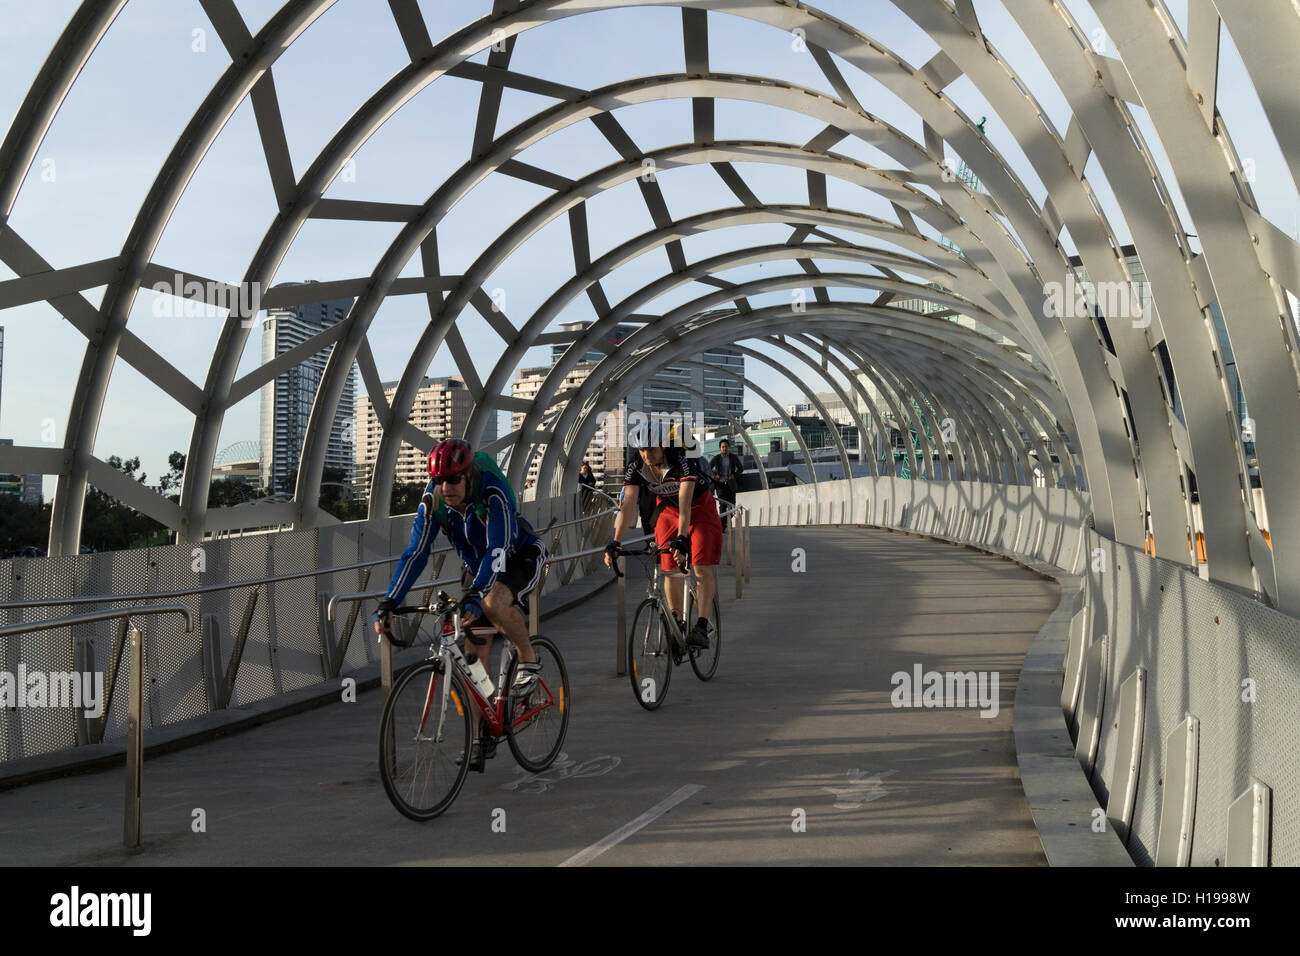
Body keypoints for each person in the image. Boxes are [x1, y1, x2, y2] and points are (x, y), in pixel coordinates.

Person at [373, 438, 547, 770]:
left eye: (453, 479)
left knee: (494, 603)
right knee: (471, 657)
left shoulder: (492, 491)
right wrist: (391, 600)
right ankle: (481, 735)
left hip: (518, 555)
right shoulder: (434, 502)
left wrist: (477, 593)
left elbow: (498, 548)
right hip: (478, 568)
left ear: (469, 476)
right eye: (439, 480)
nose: (446, 487)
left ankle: (529, 659)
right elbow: (416, 553)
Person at [604, 422, 721, 650]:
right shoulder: (636, 465)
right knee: (669, 568)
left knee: (700, 566)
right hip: (668, 510)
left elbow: (686, 503)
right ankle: (676, 622)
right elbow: (628, 504)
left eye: (651, 449)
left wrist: (682, 538)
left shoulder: (682, 459)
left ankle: (702, 625)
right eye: (641, 450)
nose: (646, 455)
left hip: (699, 508)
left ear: (663, 446)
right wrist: (615, 541)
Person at [709, 439, 744, 531]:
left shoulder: (733, 457)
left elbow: (741, 469)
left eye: (726, 447)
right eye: (723, 447)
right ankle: (722, 526)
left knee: (732, 505)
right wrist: (714, 475)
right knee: (722, 506)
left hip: (730, 484)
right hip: (720, 485)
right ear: (720, 448)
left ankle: (726, 521)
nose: (724, 448)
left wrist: (734, 475)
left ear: (728, 448)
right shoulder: (716, 458)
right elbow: (708, 468)